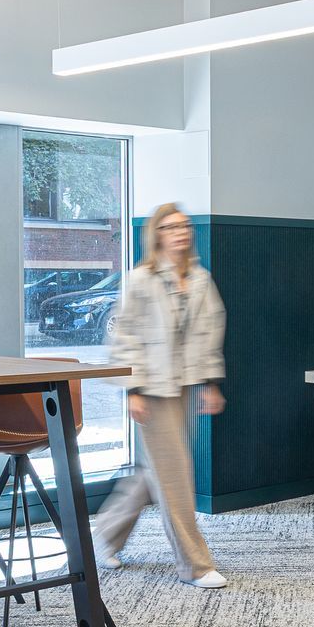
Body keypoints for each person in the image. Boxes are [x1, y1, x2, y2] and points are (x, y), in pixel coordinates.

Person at [90, 203, 228, 588]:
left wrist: (212, 382)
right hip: (151, 389)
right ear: (157, 235)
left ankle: (103, 536)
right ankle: (195, 565)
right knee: (175, 475)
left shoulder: (200, 279)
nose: (179, 232)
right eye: (169, 227)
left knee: (158, 473)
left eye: (184, 226)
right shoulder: (141, 279)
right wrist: (134, 389)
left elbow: (210, 332)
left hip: (185, 385)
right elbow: (124, 334)